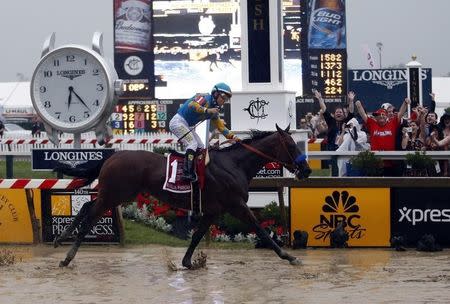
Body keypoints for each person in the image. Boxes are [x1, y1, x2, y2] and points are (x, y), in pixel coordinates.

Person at [169, 82, 238, 181]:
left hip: (186, 125)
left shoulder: (215, 111)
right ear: (215, 94)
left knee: (201, 147)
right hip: (178, 122)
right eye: (223, 97)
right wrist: (207, 110)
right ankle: (186, 173)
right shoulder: (205, 97)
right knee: (192, 144)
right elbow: (192, 104)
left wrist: (233, 137)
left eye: (226, 99)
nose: (224, 101)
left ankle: (196, 170)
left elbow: (221, 127)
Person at [355, 97, 410, 176]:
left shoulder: (392, 123)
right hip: (376, 161)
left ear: (387, 117)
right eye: (378, 115)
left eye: (383, 114)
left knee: (391, 185)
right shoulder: (372, 124)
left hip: (391, 161)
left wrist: (405, 102)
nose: (381, 116)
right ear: (376, 118)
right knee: (377, 186)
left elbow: (400, 113)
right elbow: (363, 114)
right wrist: (359, 106)